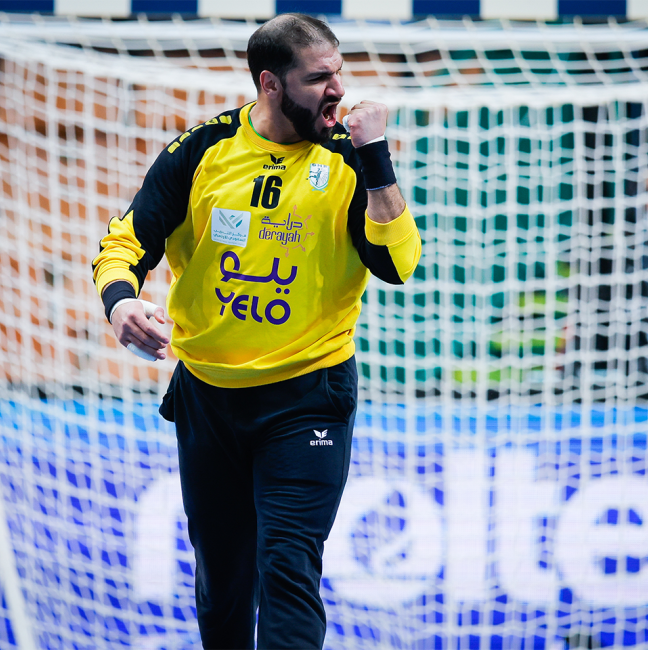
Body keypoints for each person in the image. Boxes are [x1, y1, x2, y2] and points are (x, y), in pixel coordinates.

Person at [91, 13, 421, 650]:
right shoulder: (203, 151)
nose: (337, 90)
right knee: (222, 581)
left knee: (289, 566)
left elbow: (398, 262)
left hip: (308, 395)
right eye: (318, 77)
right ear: (270, 84)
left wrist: (376, 159)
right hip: (209, 395)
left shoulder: (349, 157)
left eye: (339, 74)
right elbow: (126, 239)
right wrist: (120, 301)